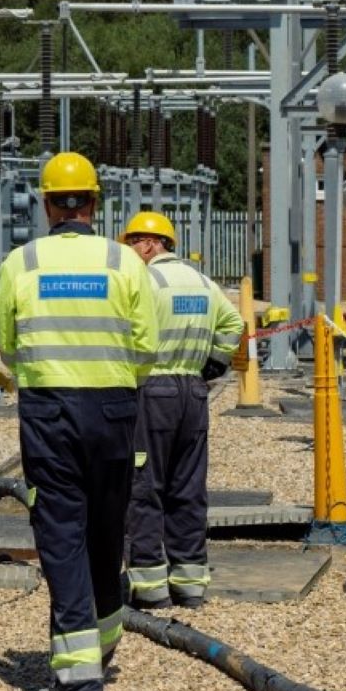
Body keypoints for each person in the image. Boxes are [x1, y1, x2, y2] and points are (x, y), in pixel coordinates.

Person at [0, 153, 155, 691]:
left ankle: (80, 686)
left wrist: (44, 378)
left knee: (61, 533)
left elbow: (7, 348)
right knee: (108, 527)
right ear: (94, 202)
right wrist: (113, 386)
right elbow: (145, 348)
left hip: (49, 409)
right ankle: (104, 637)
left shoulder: (22, 262)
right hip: (114, 407)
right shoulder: (124, 261)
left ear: (45, 205)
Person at [119, 212, 243, 611]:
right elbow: (234, 322)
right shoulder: (203, 282)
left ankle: (150, 585)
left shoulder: (145, 281)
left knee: (145, 487)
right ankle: (190, 583)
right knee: (187, 487)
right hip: (193, 390)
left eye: (133, 243)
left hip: (152, 389)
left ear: (152, 244)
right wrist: (215, 363)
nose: (130, 251)